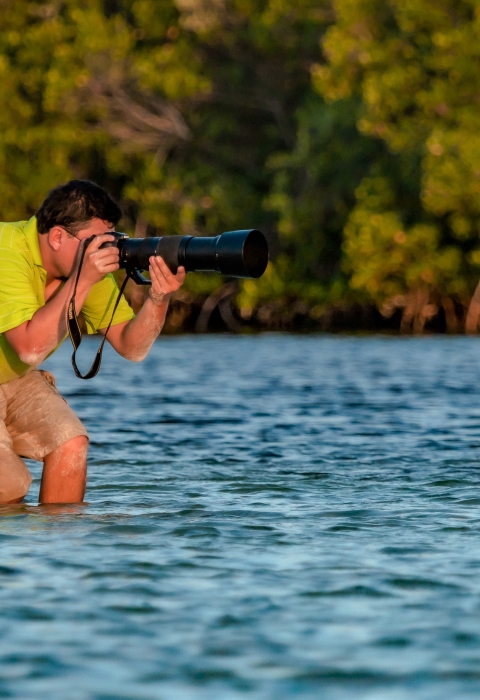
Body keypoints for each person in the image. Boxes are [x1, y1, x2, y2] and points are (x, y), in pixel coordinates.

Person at [0, 180, 185, 505]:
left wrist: (158, 298)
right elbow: (28, 347)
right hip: (15, 361)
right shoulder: (6, 249)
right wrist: (81, 281)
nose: (107, 250)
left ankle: (62, 550)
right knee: (8, 485)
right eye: (97, 241)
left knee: (71, 444)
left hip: (11, 377)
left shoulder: (86, 268)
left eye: (111, 239)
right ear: (57, 236)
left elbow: (132, 347)